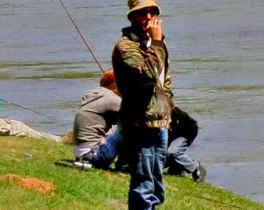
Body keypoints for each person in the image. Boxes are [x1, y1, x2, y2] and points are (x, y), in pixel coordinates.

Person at [112, 0, 173, 210]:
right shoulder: (126, 47)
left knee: (156, 188)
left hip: (160, 124)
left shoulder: (157, 45)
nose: (149, 17)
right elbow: (148, 76)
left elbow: (164, 82)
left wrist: (169, 113)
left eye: (153, 12)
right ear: (133, 17)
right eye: (143, 13)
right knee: (143, 187)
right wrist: (157, 44)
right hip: (140, 125)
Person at [73, 73, 205, 182]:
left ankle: (192, 167)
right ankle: (130, 162)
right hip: (95, 154)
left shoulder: (92, 94)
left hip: (185, 129)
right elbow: (135, 113)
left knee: (170, 151)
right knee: (131, 127)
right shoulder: (111, 99)